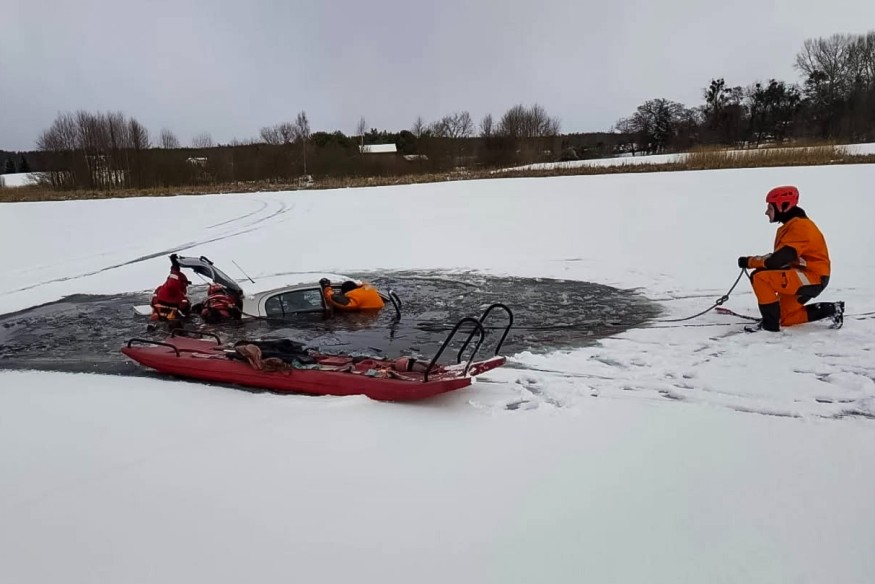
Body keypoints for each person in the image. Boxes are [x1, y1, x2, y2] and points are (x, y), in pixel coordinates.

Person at [737, 185, 844, 332]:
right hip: (805, 275)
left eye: (770, 208)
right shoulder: (793, 225)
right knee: (785, 318)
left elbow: (776, 261)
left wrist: (750, 262)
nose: (766, 212)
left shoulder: (800, 227)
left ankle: (769, 326)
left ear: (784, 206)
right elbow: (779, 259)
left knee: (760, 277)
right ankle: (832, 309)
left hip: (811, 277)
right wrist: (756, 262)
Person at [150, 254, 191, 322]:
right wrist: (175, 267)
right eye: (185, 284)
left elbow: (153, 301)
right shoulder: (174, 289)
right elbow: (173, 280)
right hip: (172, 321)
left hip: (160, 318)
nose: (186, 286)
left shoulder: (160, 289)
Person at [319, 278, 385, 311]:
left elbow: (332, 297)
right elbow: (365, 283)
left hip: (367, 315)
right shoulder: (370, 289)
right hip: (379, 313)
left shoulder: (355, 299)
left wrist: (326, 287)